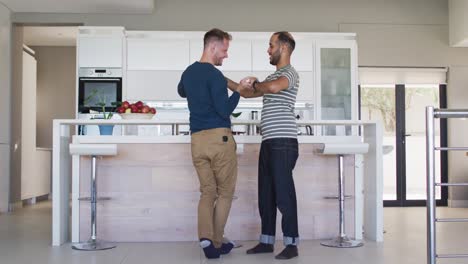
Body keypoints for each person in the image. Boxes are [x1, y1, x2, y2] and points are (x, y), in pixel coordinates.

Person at [177, 28, 240, 259]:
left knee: (207, 192)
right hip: (218, 140)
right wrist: (239, 92)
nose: (226, 55)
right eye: (224, 50)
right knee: (224, 192)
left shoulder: (188, 72)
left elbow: (181, 91)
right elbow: (224, 111)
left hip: (197, 140)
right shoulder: (214, 75)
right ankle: (215, 240)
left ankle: (207, 238)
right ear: (212, 47)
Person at [237, 31, 300, 260]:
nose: (268, 50)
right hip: (269, 141)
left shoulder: (289, 74)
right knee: (266, 194)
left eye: (271, 45)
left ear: (283, 47)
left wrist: (256, 84)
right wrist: (222, 80)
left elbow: (272, 88)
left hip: (283, 142)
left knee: (284, 194)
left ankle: (292, 244)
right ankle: (266, 241)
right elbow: (245, 94)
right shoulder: (272, 78)